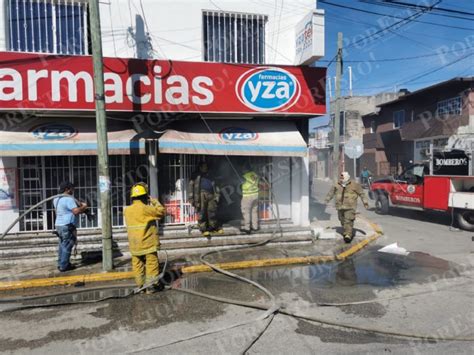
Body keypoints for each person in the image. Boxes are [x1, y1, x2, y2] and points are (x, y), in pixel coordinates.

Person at [124, 182, 166, 294]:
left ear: (132, 197)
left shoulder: (127, 210)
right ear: (144, 197)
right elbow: (161, 211)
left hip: (135, 244)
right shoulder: (146, 209)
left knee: (138, 265)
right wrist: (153, 201)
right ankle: (151, 286)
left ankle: (140, 286)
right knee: (152, 264)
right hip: (148, 243)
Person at [324, 172, 369, 243]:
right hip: (340, 207)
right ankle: (347, 230)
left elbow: (362, 194)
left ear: (347, 178)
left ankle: (348, 235)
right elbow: (331, 193)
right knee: (342, 220)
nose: (341, 179)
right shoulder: (337, 185)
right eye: (341, 178)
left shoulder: (354, 185)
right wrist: (327, 200)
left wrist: (365, 202)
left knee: (348, 220)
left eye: (343, 178)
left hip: (350, 207)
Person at [53, 181, 88, 272]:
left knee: (62, 244)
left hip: (59, 225)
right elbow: (76, 211)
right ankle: (64, 266)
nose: (73, 190)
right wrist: (84, 207)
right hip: (67, 225)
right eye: (72, 189)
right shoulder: (69, 199)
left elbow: (60, 210)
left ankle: (61, 263)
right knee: (68, 244)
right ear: (67, 190)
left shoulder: (56, 199)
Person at [188, 161, 223, 237]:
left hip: (211, 194)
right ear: (200, 167)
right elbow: (190, 186)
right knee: (202, 212)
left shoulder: (211, 174)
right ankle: (203, 229)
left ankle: (213, 227)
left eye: (206, 166)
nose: (205, 168)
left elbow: (216, 185)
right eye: (204, 167)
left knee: (212, 211)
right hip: (200, 195)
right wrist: (191, 198)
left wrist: (217, 195)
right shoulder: (195, 175)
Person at [240, 166, 260, 234]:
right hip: (256, 196)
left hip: (247, 197)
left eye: (243, 169)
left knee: (246, 212)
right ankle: (255, 227)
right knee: (254, 212)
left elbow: (238, 183)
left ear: (246, 169)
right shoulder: (255, 174)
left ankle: (247, 228)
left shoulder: (244, 176)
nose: (242, 170)